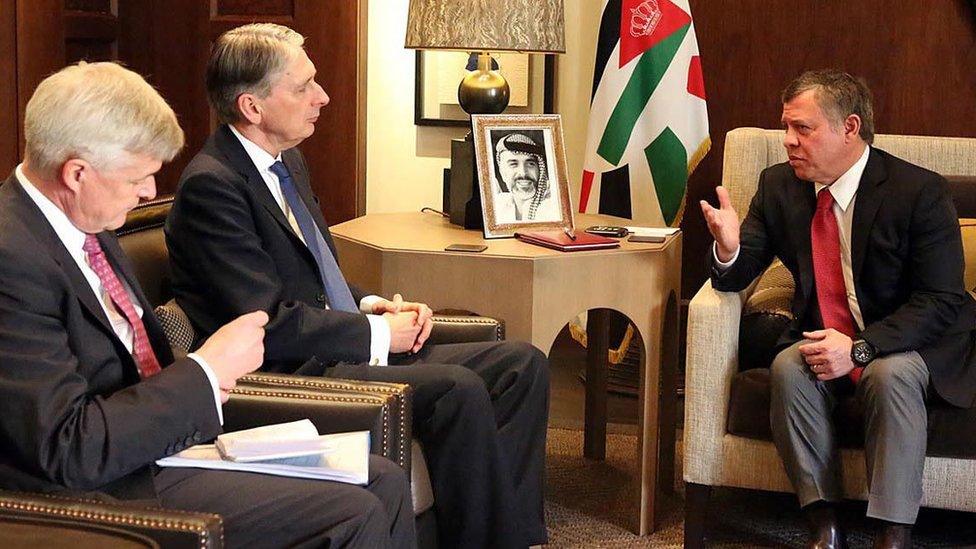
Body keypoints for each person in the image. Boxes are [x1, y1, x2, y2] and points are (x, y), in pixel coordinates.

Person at [165, 23, 550, 548]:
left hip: (336, 340)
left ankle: (515, 536)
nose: (322, 98)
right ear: (252, 107)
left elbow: (312, 272)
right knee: (458, 389)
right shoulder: (213, 186)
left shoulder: (286, 162)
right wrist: (376, 334)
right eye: (302, 88)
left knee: (521, 364)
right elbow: (267, 324)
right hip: (296, 372)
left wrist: (374, 305)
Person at [0, 61, 414, 549]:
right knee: (352, 511)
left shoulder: (87, 222)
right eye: (139, 176)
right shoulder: (13, 260)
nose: (149, 192)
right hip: (98, 490)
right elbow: (68, 448)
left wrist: (205, 381)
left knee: (381, 480)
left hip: (158, 443)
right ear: (76, 173)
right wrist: (204, 369)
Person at [700, 69, 976, 549]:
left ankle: (893, 532)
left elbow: (942, 300)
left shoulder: (918, 192)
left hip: (913, 341)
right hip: (828, 336)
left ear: (850, 128)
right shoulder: (778, 186)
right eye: (786, 127)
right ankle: (823, 521)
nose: (788, 142)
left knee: (887, 376)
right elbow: (740, 272)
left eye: (802, 129)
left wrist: (862, 350)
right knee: (789, 366)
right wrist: (728, 249)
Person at [492, 132, 561, 223]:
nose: (523, 173)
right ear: (502, 173)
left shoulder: (553, 208)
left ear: (540, 170)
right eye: (513, 164)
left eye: (530, 164)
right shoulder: (498, 205)